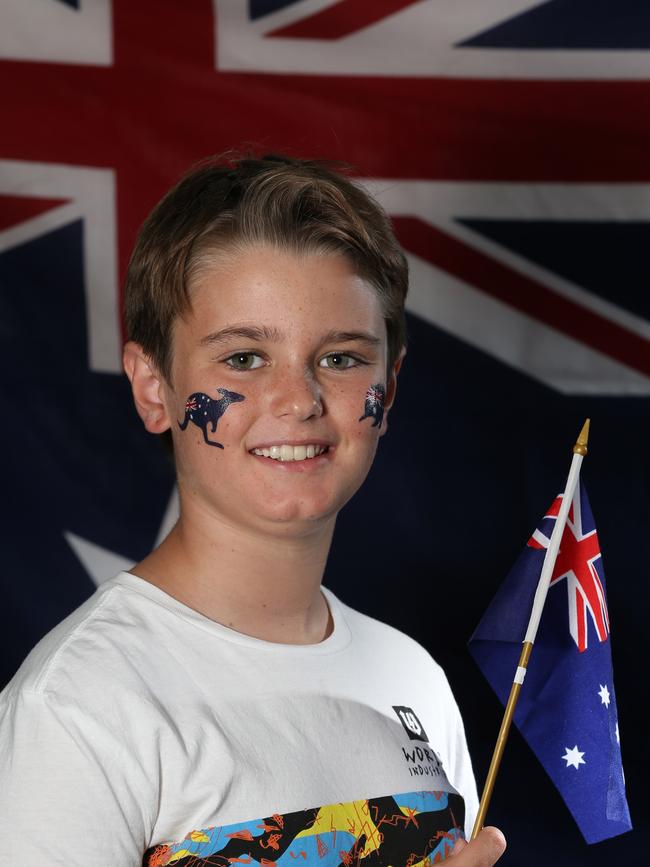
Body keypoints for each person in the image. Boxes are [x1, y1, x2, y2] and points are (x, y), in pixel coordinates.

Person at [0, 153, 505, 866]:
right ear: (153, 387)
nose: (298, 400)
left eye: (340, 358)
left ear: (388, 386)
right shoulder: (80, 707)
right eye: (242, 358)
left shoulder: (412, 677)